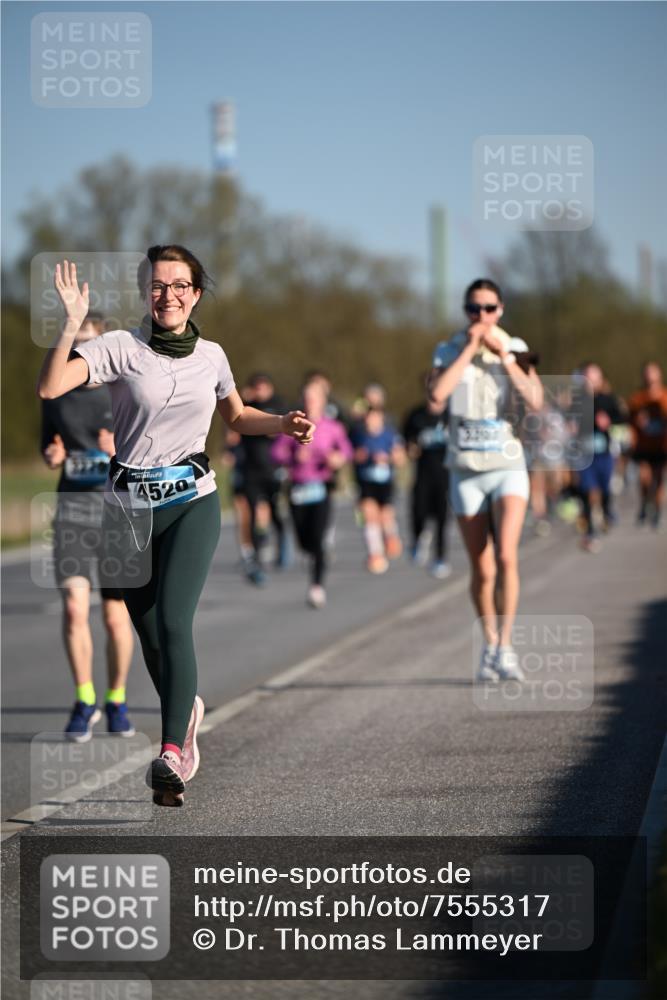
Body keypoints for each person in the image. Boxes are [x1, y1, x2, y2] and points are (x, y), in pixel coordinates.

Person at [38, 248, 314, 807]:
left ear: (196, 294)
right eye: (158, 286)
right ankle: (184, 708)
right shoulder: (119, 347)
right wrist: (70, 324)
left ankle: (171, 752)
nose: (169, 295)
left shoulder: (211, 356)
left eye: (180, 285)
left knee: (172, 621)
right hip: (126, 508)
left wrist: (282, 423)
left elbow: (236, 416)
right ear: (147, 293)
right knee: (146, 631)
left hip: (192, 499)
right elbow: (51, 388)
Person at [428, 278, 543, 682]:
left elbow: (535, 399)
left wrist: (505, 357)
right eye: (474, 309)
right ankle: (489, 643)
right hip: (465, 469)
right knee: (483, 566)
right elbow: (437, 397)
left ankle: (507, 646)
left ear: (501, 309)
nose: (482, 316)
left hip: (507, 464)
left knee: (507, 556)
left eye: (489, 308)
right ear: (465, 311)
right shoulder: (448, 349)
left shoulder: (515, 346)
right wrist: (468, 349)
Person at [41, 311, 135, 741]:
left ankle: (116, 699)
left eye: (90, 342)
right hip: (73, 511)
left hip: (117, 514)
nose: (83, 351)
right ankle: (84, 699)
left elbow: (152, 451)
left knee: (116, 619)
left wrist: (120, 448)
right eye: (77, 343)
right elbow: (49, 444)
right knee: (75, 609)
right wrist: (53, 455)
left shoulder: (125, 392)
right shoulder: (57, 393)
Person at [271, 378, 352, 607]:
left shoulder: (332, 427)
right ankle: (311, 555)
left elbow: (346, 450)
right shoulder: (293, 424)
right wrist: (292, 457)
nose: (310, 402)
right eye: (306, 398)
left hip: (321, 487)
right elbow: (275, 453)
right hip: (297, 488)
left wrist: (336, 459)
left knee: (317, 539)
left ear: (322, 401)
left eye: (314, 398)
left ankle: (317, 586)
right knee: (303, 540)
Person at [236, 373, 289, 579]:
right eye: (255, 388)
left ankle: (282, 542)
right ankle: (256, 556)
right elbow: (231, 417)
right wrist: (241, 397)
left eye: (262, 387)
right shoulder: (246, 405)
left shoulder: (278, 405)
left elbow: (284, 433)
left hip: (272, 469)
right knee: (254, 511)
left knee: (274, 510)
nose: (259, 392)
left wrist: (270, 428)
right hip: (250, 470)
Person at [576, 362, 626, 552]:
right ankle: (590, 531)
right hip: (585, 454)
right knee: (588, 491)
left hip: (604, 453)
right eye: (587, 377)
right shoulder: (578, 400)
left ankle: (606, 510)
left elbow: (622, 419)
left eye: (594, 376)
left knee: (604, 489)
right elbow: (568, 421)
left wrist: (610, 422)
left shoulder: (609, 399)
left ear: (601, 379)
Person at [351, 402, 406, 574]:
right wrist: (362, 456)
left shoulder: (390, 435)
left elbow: (400, 458)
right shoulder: (358, 435)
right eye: (368, 418)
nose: (371, 421)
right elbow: (351, 455)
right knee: (369, 515)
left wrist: (386, 458)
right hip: (365, 482)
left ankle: (391, 536)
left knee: (385, 515)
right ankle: (375, 553)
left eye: (374, 418)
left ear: (381, 418)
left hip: (385, 482)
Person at [402, 385, 451, 578]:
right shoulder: (416, 416)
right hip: (423, 473)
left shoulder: (452, 416)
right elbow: (407, 443)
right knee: (418, 511)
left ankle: (440, 558)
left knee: (442, 519)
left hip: (446, 475)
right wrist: (411, 449)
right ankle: (418, 540)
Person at [627, 361, 667, 529]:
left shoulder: (665, 397)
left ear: (659, 375)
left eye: (653, 372)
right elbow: (630, 422)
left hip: (662, 446)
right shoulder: (637, 399)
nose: (650, 376)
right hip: (643, 446)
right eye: (647, 373)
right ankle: (644, 503)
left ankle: (657, 512)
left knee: (658, 480)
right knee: (644, 478)